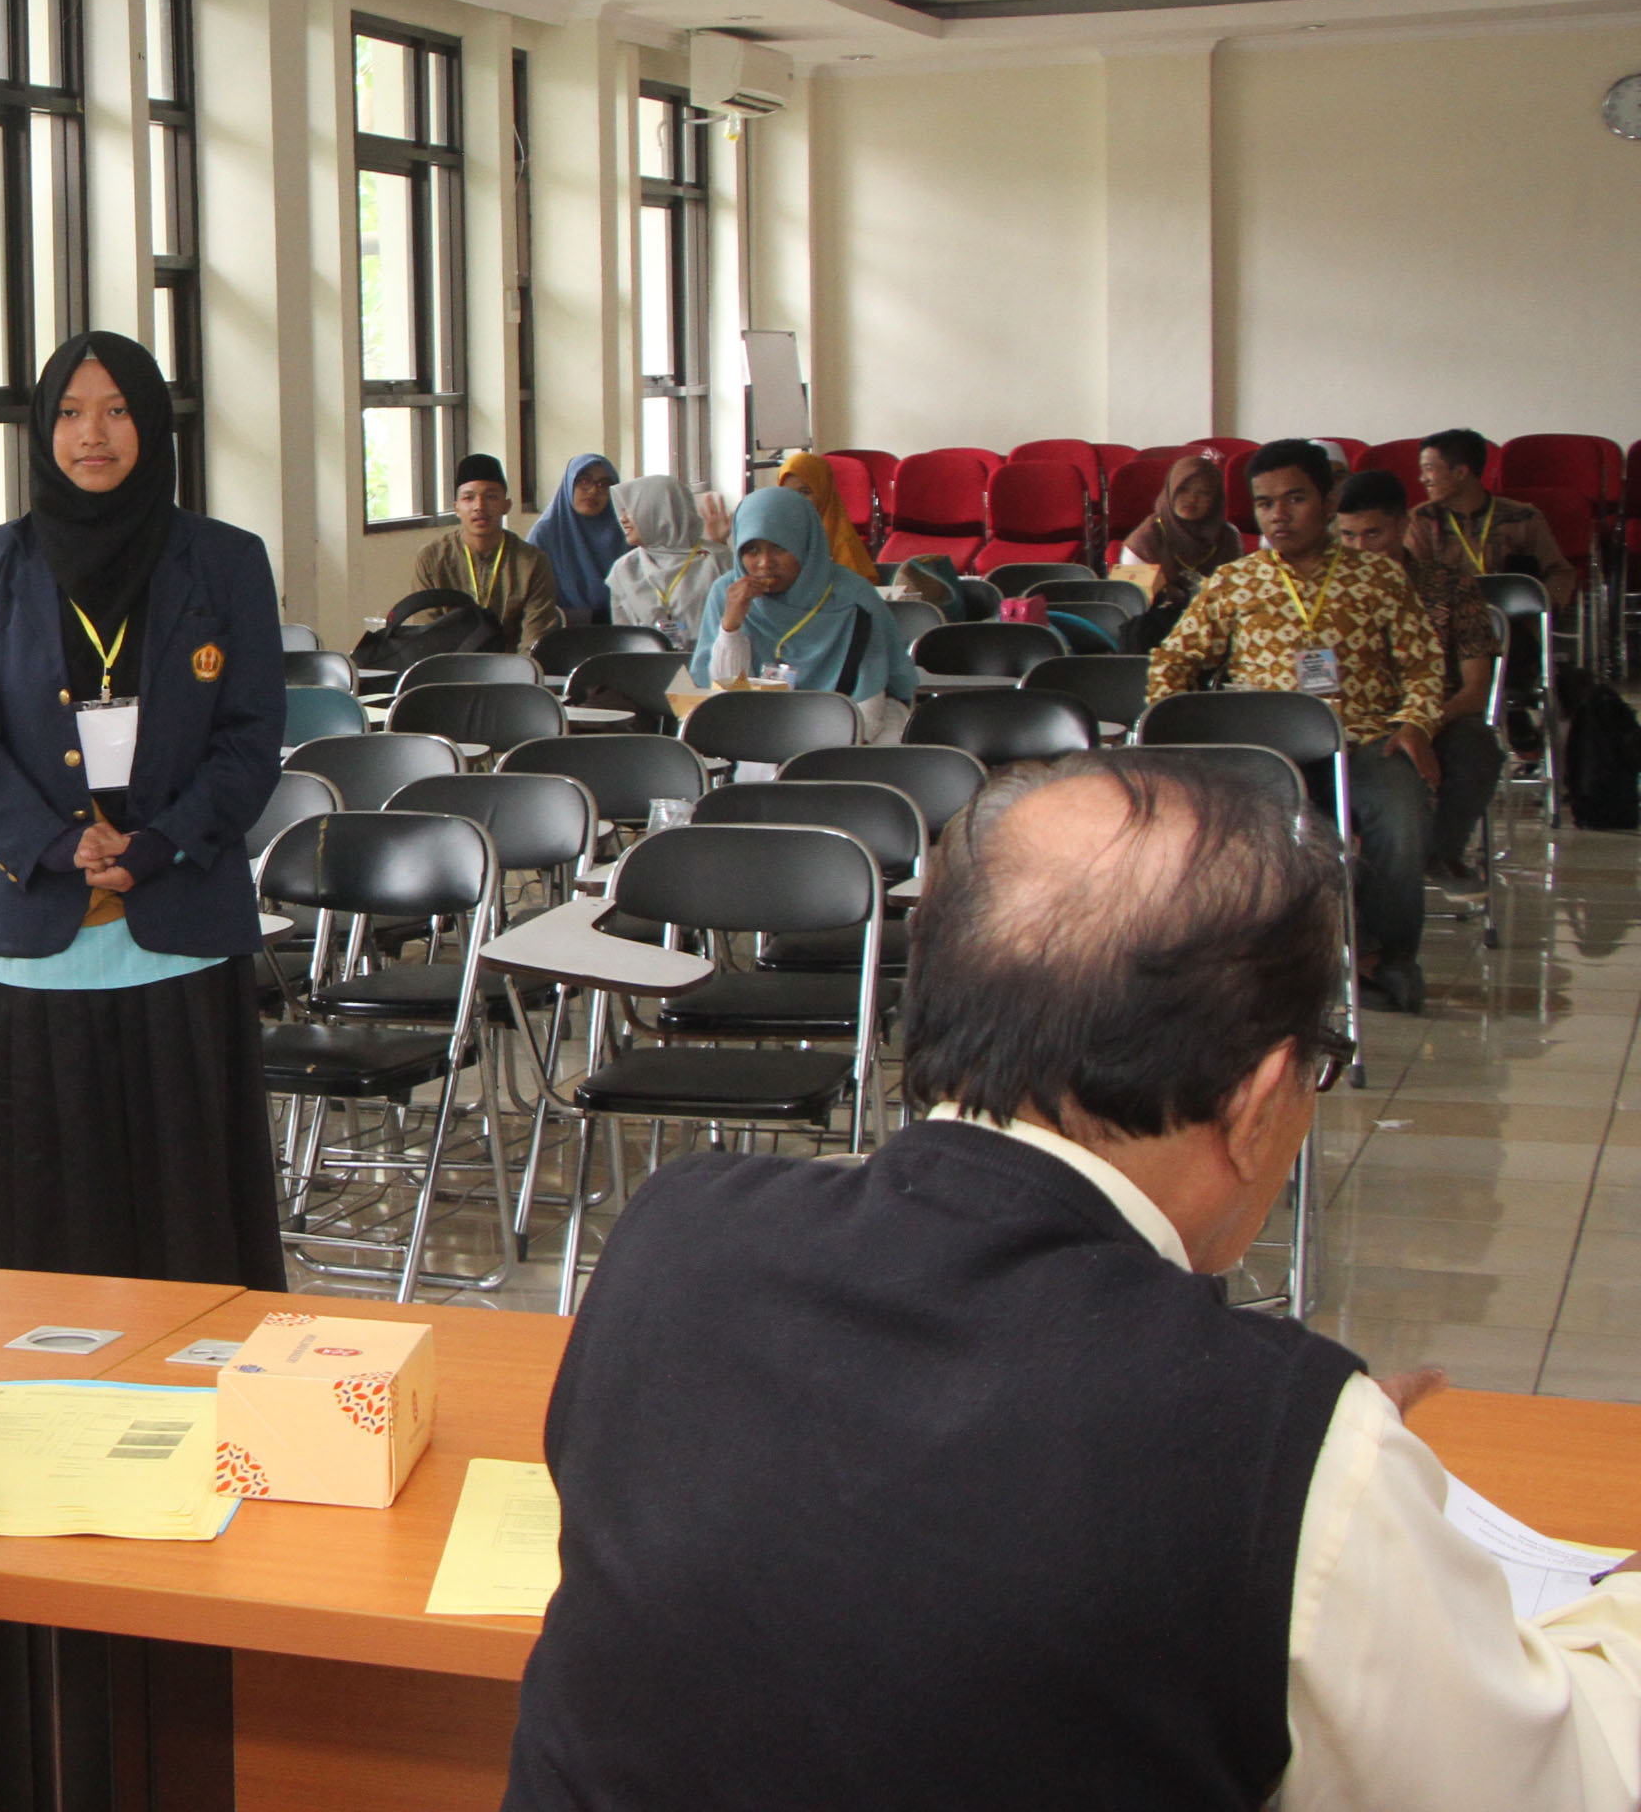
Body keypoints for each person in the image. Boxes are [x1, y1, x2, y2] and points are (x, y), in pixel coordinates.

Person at [510, 753, 1641, 1812]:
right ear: (1260, 1104)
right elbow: (1569, 1778)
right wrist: (1313, 1477)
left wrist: (1302, 1471)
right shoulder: (1272, 1454)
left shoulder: (672, 1242)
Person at [0, 333, 288, 1288]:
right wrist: (55, 843)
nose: (93, 434)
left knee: (186, 1204)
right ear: (42, 430)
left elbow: (251, 737)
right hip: (42, 927)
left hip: (181, 922)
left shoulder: (226, 561)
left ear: (154, 425)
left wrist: (164, 842)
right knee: (52, 1203)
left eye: (118, 411)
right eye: (70, 413)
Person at [1150, 438, 1444, 1012]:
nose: (1278, 515)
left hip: (1361, 741)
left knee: (1403, 815)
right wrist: (1179, 733)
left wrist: (1415, 723)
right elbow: (1172, 661)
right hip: (1261, 751)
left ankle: (1383, 956)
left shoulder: (1379, 578)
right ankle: (1248, 961)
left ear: (1329, 502)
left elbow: (1424, 664)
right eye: (1265, 504)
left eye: (1295, 499)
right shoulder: (1234, 582)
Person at [1339, 469, 1504, 891]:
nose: (1360, 549)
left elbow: (1476, 688)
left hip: (1440, 716)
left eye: (1373, 534)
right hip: (1355, 722)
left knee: (1478, 748)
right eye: (1348, 536)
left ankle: (1438, 853)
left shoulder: (1450, 587)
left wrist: (1423, 724)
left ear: (1402, 526)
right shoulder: (1327, 594)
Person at [690, 485, 916, 741]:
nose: (765, 563)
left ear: (805, 544)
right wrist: (730, 628)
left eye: (779, 548)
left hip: (847, 728)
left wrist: (809, 746)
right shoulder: (727, 593)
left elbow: (868, 704)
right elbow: (726, 700)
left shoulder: (853, 598)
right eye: (752, 550)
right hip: (756, 728)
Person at [405, 451, 564, 651]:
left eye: (491, 497)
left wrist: (517, 670)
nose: (479, 506)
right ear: (456, 508)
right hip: (449, 666)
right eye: (468, 498)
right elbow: (426, 634)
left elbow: (534, 640)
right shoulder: (432, 559)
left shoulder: (532, 562)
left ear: (506, 505)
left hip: (512, 666)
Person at [1411, 427, 1575, 608]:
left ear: (1460, 473)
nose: (1422, 479)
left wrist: (1545, 606)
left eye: (1429, 469)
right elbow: (1411, 578)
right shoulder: (1423, 519)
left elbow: (1560, 572)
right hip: (1448, 617)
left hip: (1513, 617)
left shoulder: (1523, 517)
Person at [605, 475, 732, 636]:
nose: (622, 519)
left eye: (630, 510)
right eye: (622, 511)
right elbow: (624, 637)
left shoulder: (716, 559)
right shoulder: (624, 569)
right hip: (645, 652)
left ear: (658, 509)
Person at [1122, 450, 1243, 606]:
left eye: (1204, 493)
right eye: (1183, 489)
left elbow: (1237, 592)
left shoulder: (1228, 537)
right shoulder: (1145, 539)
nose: (1192, 499)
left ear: (1215, 499)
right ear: (1171, 490)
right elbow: (1135, 601)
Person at [530, 453, 628, 624]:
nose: (593, 490)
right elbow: (532, 601)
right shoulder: (545, 534)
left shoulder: (625, 534)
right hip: (559, 631)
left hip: (623, 630)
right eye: (584, 481)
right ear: (569, 483)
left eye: (604, 484)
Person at [777, 449, 881, 582]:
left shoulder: (843, 544)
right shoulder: (777, 539)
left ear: (824, 493)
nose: (797, 501)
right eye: (788, 493)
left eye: (805, 492)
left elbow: (861, 590)